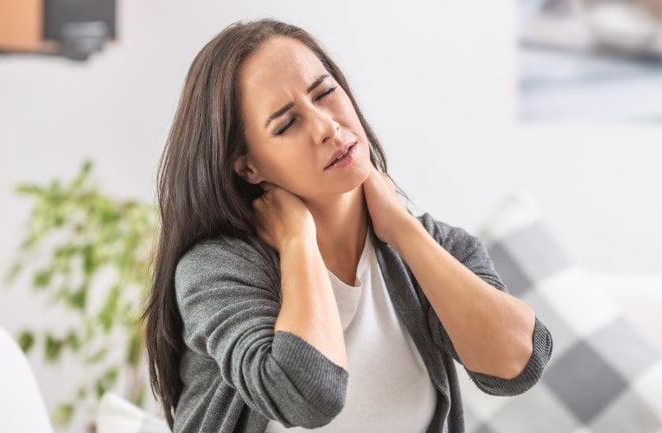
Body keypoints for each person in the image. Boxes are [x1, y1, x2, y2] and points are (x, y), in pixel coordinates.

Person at [143, 18, 553, 433]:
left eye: (325, 93)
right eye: (287, 124)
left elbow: (518, 365)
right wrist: (297, 240)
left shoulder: (438, 246)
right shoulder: (216, 270)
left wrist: (401, 228)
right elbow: (309, 398)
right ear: (248, 167)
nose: (326, 127)